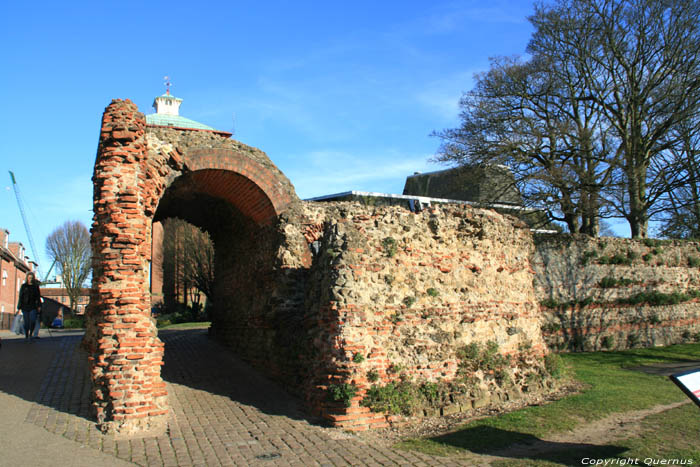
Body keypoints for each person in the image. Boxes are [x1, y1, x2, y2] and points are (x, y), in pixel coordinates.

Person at [16, 272, 42, 341]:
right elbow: (20, 296)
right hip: (25, 306)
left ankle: (31, 334)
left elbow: (38, 297)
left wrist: (39, 306)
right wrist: (19, 307)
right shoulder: (24, 286)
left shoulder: (35, 286)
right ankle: (27, 334)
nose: (30, 279)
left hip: (33, 306)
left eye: (31, 278)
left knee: (33, 320)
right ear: (27, 278)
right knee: (26, 322)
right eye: (29, 278)